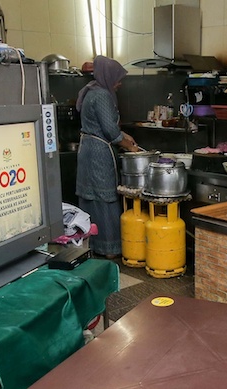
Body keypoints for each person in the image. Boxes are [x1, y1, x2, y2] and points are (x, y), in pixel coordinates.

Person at [75, 55, 139, 258]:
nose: (119, 84)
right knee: (105, 197)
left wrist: (127, 137)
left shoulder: (92, 90)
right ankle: (109, 248)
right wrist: (131, 147)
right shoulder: (102, 95)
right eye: (118, 79)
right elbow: (111, 131)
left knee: (91, 198)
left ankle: (91, 244)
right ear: (109, 77)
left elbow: (109, 128)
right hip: (98, 153)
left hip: (88, 149)